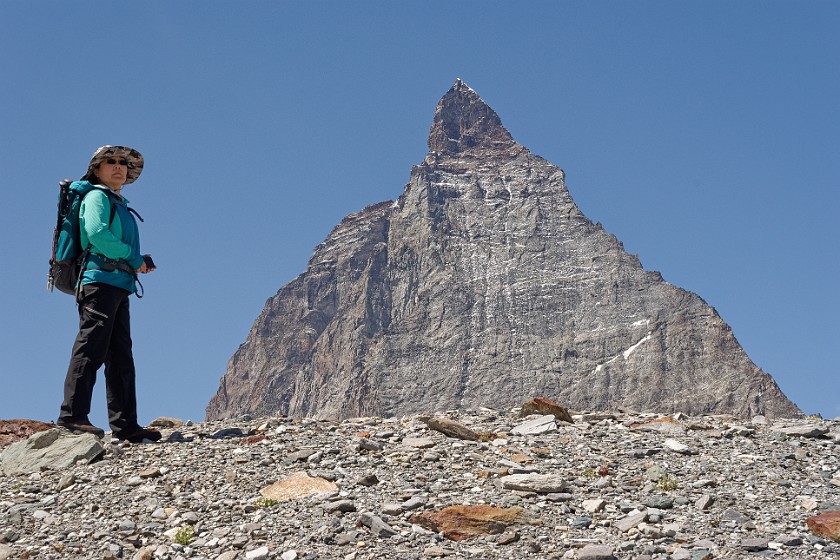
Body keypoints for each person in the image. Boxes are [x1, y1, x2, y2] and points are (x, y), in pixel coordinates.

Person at [57, 145, 161, 443]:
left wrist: (132, 262)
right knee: (91, 346)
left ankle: (126, 426)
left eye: (123, 163)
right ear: (97, 169)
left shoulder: (116, 202)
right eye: (111, 162)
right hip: (99, 281)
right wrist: (134, 258)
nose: (119, 166)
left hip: (116, 283)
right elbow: (98, 234)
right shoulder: (97, 197)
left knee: (120, 355)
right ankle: (72, 415)